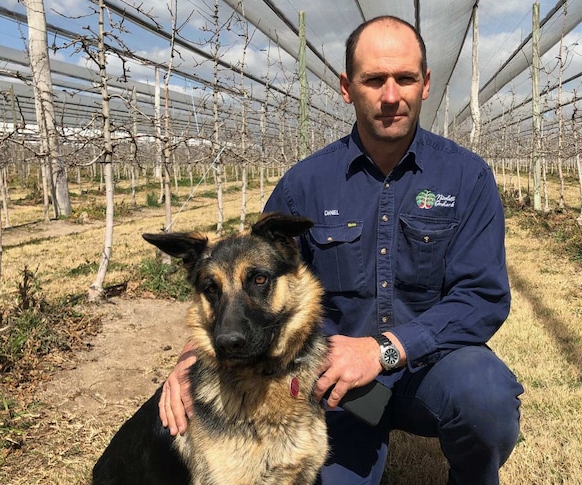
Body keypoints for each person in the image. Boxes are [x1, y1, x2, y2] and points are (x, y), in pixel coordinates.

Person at [159, 15, 523, 485]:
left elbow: (483, 297)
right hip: (334, 387)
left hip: (429, 372)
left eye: (405, 78)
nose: (391, 95)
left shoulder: (467, 178)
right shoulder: (305, 184)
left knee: (485, 399)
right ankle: (363, 441)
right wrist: (191, 359)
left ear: (426, 84)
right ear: (347, 87)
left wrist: (385, 350)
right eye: (374, 79)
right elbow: (251, 276)